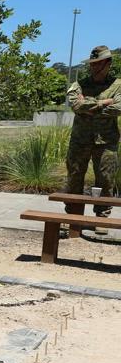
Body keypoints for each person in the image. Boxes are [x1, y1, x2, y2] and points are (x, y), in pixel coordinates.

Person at [63, 45, 121, 235]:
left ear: (108, 64)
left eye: (98, 63)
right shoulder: (79, 84)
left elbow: (119, 108)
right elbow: (76, 105)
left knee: (105, 178)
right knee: (74, 176)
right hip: (80, 140)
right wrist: (104, 102)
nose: (94, 67)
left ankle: (101, 218)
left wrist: (90, 106)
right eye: (92, 63)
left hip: (106, 141)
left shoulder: (118, 85)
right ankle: (72, 216)